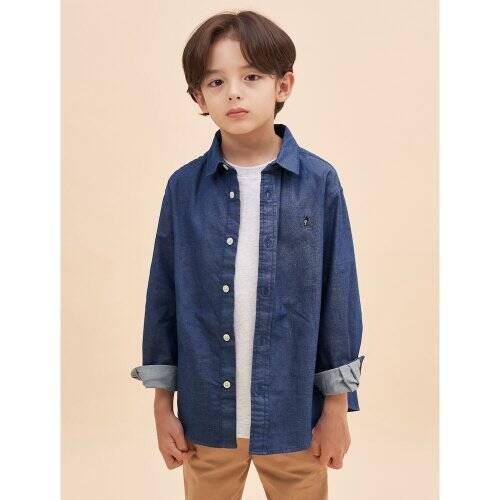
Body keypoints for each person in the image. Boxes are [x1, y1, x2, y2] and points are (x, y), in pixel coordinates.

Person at [130, 10, 366, 500]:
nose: (234, 93)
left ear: (283, 85)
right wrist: (162, 406)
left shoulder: (319, 183)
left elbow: (338, 297)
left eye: (252, 76)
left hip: (295, 419)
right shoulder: (183, 189)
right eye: (216, 81)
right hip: (205, 422)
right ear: (199, 97)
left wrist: (336, 409)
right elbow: (164, 297)